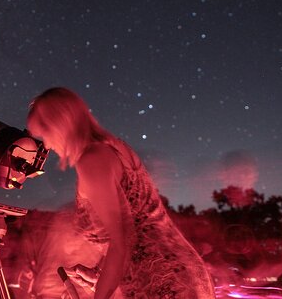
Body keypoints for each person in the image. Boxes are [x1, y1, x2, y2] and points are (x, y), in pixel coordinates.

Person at [26, 87, 215, 299]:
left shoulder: (92, 159)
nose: (47, 146)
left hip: (160, 281)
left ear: (59, 125)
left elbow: (122, 240)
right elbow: (131, 224)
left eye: (44, 135)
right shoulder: (114, 148)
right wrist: (100, 274)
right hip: (178, 273)